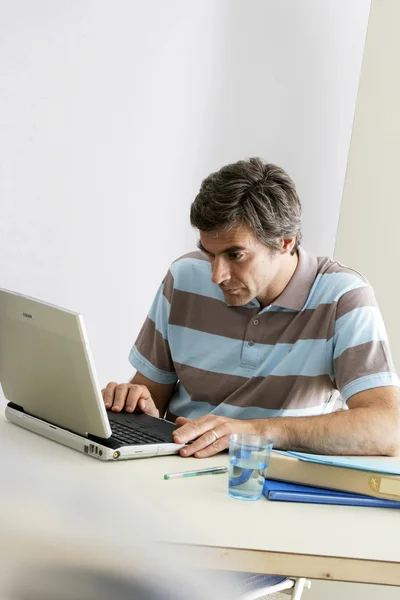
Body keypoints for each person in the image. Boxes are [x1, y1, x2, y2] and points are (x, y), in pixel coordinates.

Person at [102, 158, 400, 458]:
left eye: (236, 255)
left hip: (271, 482)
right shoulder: (184, 277)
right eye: (210, 254)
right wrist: (137, 403)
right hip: (175, 467)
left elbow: (389, 428)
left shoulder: (342, 298)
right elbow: (152, 394)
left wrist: (254, 432)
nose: (217, 275)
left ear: (285, 242)